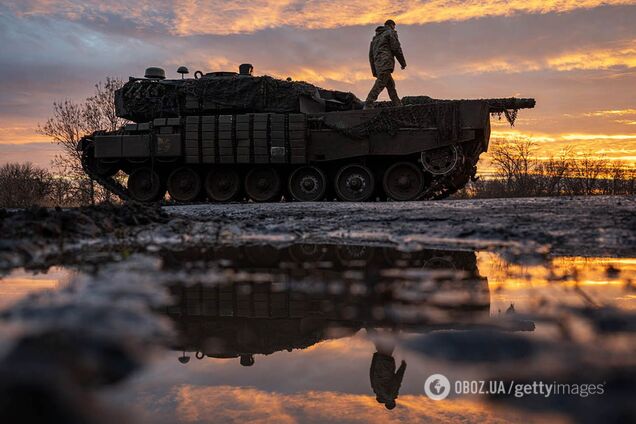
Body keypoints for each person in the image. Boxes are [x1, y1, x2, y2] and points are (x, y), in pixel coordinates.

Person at [365, 19, 407, 109]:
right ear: (391, 25)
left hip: (378, 65)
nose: (394, 28)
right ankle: (368, 103)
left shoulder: (375, 38)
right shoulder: (390, 33)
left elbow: (371, 56)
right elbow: (396, 48)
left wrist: (374, 70)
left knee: (390, 85)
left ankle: (398, 105)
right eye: (394, 26)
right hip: (386, 62)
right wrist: (403, 63)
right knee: (380, 83)